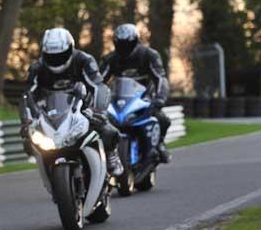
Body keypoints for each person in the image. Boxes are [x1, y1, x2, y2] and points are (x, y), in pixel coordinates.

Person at [21, 27, 124, 177]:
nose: (56, 60)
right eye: (51, 56)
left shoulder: (84, 60)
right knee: (30, 142)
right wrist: (26, 120)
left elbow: (99, 86)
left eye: (61, 55)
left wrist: (98, 110)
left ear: (70, 48)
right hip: (52, 111)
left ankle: (111, 156)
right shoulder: (37, 68)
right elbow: (27, 96)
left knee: (108, 131)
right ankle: (49, 172)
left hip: (83, 106)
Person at [100, 23, 172, 163]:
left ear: (135, 41)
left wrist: (160, 98)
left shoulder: (149, 55)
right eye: (120, 44)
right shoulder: (110, 59)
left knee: (163, 120)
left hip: (144, 98)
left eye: (127, 44)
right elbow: (98, 81)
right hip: (119, 99)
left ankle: (159, 144)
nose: (124, 48)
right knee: (100, 123)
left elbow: (160, 78)